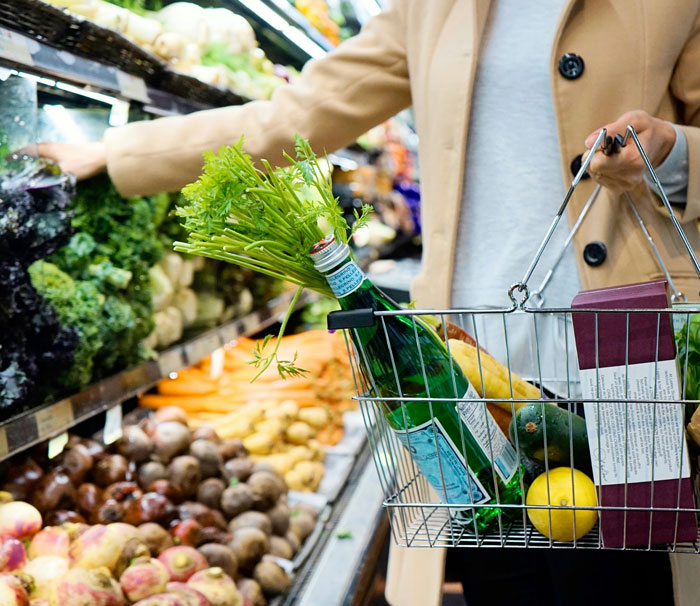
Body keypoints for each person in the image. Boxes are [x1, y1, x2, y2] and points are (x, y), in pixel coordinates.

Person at [39, 1, 700, 604]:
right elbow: (292, 118)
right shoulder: (433, 9)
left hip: (623, 371)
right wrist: (117, 151)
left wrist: (670, 156)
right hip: (466, 374)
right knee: (505, 586)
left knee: (625, 587)